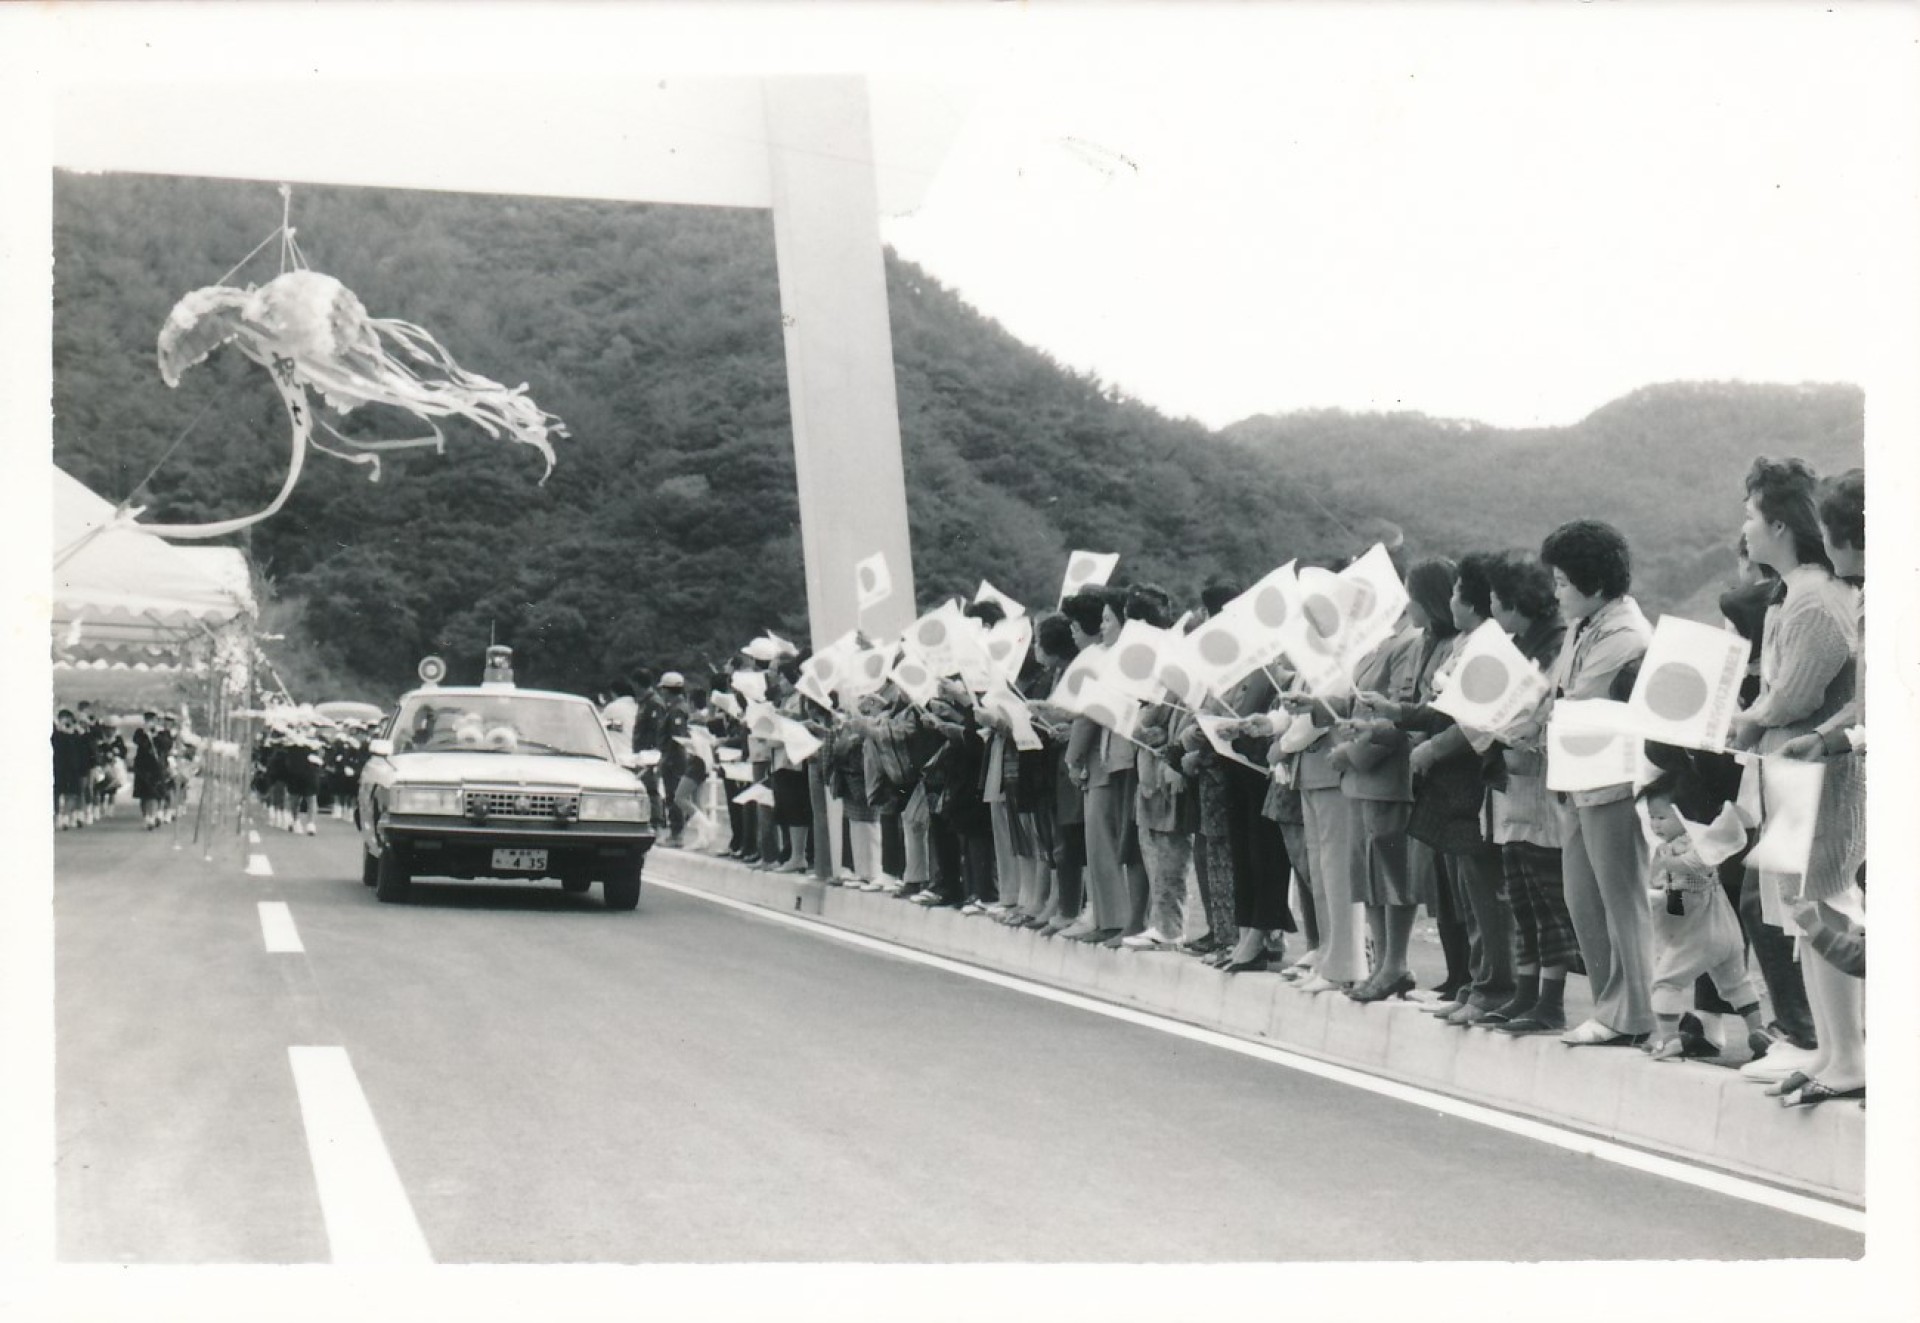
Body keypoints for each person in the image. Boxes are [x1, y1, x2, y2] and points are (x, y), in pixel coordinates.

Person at [1727, 457, 1864, 1106]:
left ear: (1779, 524)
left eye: (1750, 515)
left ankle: (1849, 1052)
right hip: (1794, 769)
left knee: (1823, 907)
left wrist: (1749, 719)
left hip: (1818, 773)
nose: (1745, 529)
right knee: (1804, 913)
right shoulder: (1799, 592)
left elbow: (1793, 695)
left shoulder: (1811, 595)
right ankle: (1832, 1048)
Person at [1540, 520, 1655, 1047]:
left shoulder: (1625, 633)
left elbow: (1577, 700)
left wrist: (1531, 716)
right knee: (1583, 897)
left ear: (1593, 582)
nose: (1556, 591)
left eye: (1563, 581)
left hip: (1611, 779)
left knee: (1620, 898)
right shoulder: (1584, 626)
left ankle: (1633, 1013)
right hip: (1578, 778)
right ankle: (1611, 1008)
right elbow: (1554, 693)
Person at [1481, 551, 1577, 1035]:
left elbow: (1540, 712)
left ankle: (1551, 1000)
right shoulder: (1523, 647)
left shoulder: (1556, 647)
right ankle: (1526, 991)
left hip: (1540, 781)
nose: (1493, 611)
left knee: (1546, 897)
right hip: (1514, 781)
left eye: (1497, 602)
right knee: (1520, 893)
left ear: (1516, 603)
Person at [1636, 773, 1770, 1062]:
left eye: (1661, 817)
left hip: (1699, 931)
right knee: (1735, 983)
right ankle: (1758, 1031)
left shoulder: (1693, 844)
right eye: (1652, 818)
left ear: (1685, 814)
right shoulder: (1688, 843)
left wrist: (1664, 876)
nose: (1655, 825)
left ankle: (1669, 1039)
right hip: (1725, 928)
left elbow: (1695, 868)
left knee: (1665, 983)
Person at [131, 711, 167, 830]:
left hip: (156, 767)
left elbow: (165, 745)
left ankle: (152, 816)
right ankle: (146, 816)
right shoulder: (140, 732)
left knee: (154, 793)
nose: (150, 722)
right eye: (148, 719)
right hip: (142, 766)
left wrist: (155, 735)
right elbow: (137, 741)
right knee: (144, 795)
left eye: (153, 719)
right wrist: (146, 735)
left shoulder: (162, 732)